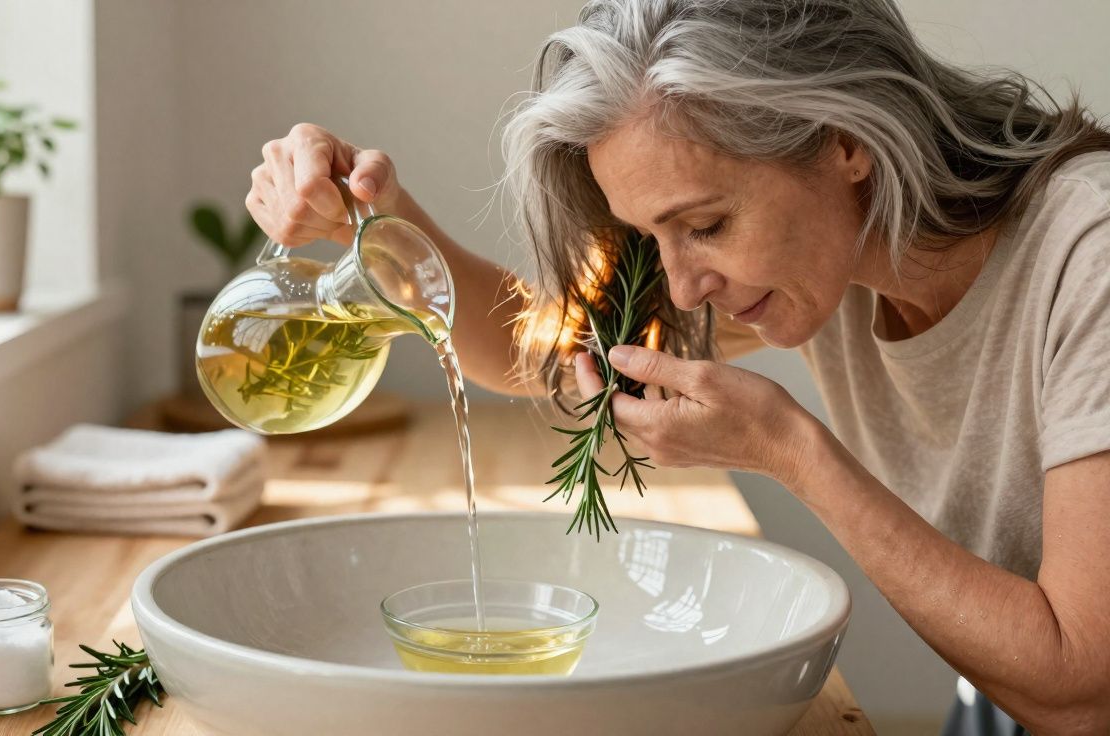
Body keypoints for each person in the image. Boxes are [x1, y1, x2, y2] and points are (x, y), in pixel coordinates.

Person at [244, 1, 1110, 732]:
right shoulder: (835, 260)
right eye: (656, 236)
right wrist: (380, 219)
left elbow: (1082, 688)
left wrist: (791, 450)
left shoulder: (1089, 256)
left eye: (706, 224)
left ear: (845, 139)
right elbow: (536, 348)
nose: (684, 288)